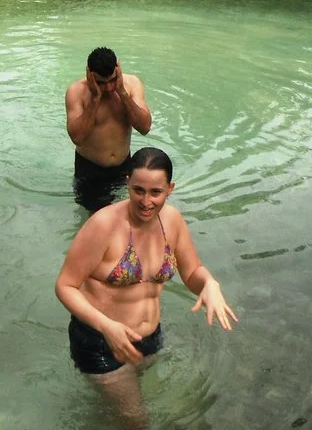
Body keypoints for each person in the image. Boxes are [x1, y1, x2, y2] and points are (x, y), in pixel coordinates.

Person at [55, 147, 237, 429]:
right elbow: (65, 286)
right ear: (127, 181)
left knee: (116, 412)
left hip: (150, 338)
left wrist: (209, 284)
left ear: (170, 189)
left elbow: (191, 272)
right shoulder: (104, 225)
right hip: (101, 342)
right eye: (138, 190)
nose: (146, 201)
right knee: (137, 421)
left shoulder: (172, 221)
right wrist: (106, 326)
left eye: (156, 192)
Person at [65, 47, 152, 212]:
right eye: (100, 83)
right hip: (90, 169)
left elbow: (145, 127)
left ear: (118, 69)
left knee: (129, 215)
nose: (108, 88)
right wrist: (95, 98)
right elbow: (77, 137)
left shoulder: (132, 84)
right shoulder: (76, 92)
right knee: (96, 221)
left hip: (124, 165)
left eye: (112, 80)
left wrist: (122, 92)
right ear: (89, 74)